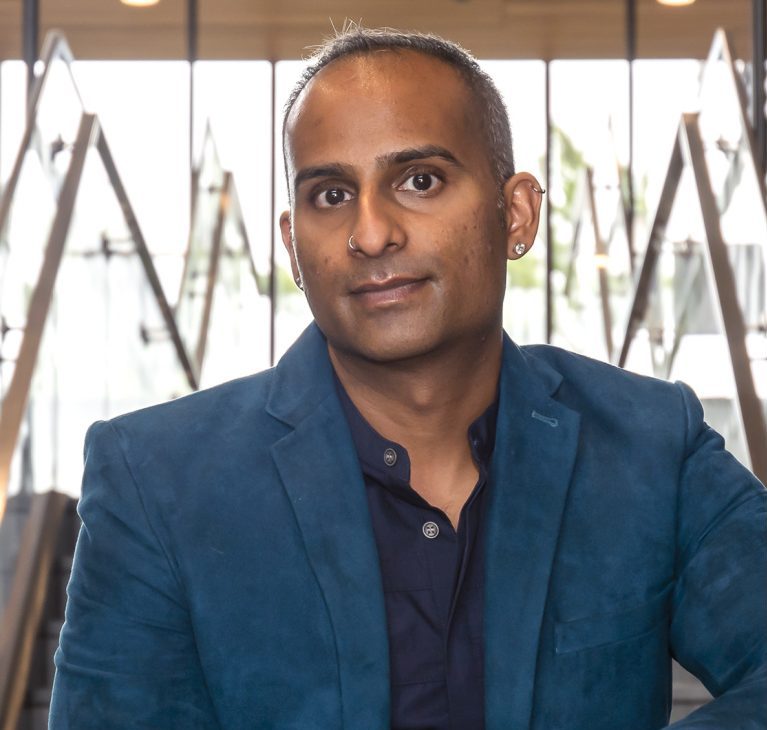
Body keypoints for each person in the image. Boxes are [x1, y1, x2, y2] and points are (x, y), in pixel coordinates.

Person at [49, 27, 766, 730]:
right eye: (331, 195)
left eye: (420, 181)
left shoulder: (649, 445)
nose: (370, 233)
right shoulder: (155, 479)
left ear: (516, 214)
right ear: (292, 247)